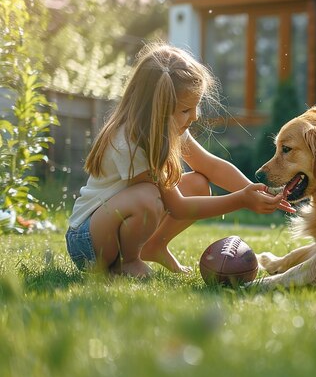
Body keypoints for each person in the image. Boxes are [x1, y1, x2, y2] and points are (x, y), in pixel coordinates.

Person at [65, 42, 293, 278]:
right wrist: (242, 200)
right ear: (157, 111)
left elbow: (211, 167)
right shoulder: (130, 142)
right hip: (86, 241)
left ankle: (153, 246)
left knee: (198, 184)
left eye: (196, 107)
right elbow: (178, 207)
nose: (195, 116)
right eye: (186, 110)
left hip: (110, 226)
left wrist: (257, 192)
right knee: (146, 196)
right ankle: (128, 262)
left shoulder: (168, 128)